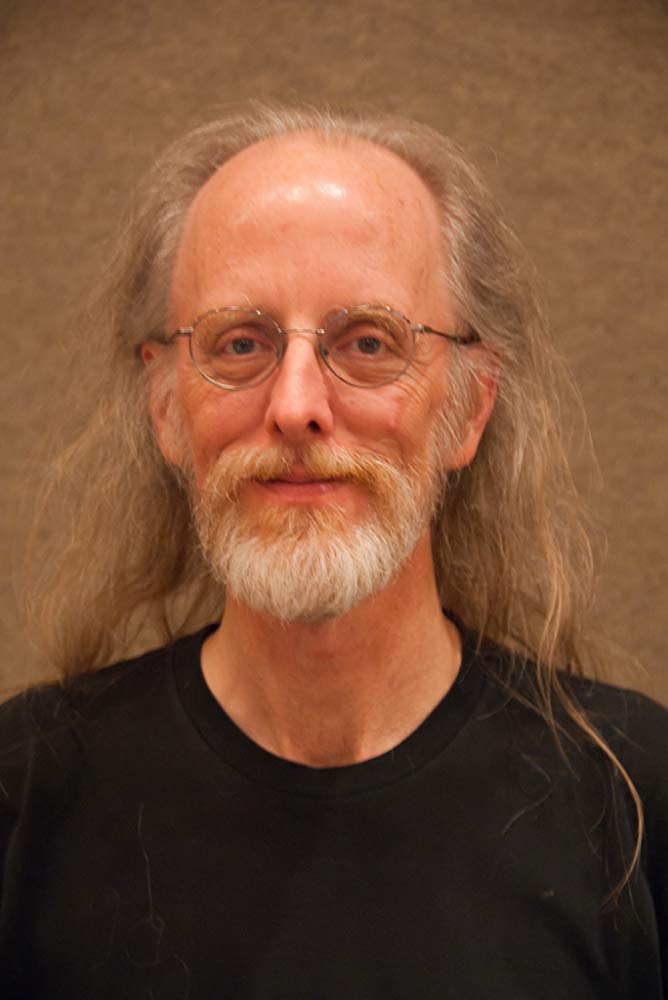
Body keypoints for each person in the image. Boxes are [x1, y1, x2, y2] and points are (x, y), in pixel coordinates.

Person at [1, 103, 666, 999]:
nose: (296, 406)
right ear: (164, 406)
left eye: (369, 342)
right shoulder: (23, 799)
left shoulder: (636, 801)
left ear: (469, 408)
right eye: (240, 343)